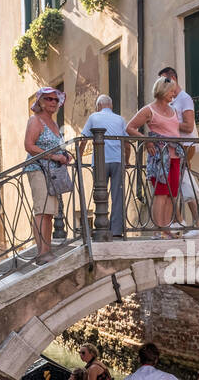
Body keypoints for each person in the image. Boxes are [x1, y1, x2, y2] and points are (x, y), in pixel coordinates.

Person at [126, 77, 184, 237]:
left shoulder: (173, 110)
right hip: (159, 157)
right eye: (171, 90)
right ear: (163, 90)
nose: (174, 94)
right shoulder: (148, 110)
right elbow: (130, 128)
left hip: (175, 157)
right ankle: (158, 230)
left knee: (172, 193)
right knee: (160, 192)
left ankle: (166, 228)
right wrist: (147, 141)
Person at [24, 87, 72, 264]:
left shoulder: (52, 123)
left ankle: (47, 249)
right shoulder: (35, 120)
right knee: (41, 210)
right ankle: (41, 252)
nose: (53, 102)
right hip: (37, 169)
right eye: (49, 99)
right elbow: (29, 145)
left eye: (56, 100)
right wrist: (53, 156)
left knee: (50, 212)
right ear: (41, 102)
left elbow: (56, 146)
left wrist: (65, 155)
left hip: (52, 172)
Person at [80, 94, 130, 238]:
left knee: (100, 194)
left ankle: (101, 228)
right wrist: (126, 160)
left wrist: (78, 157)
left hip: (100, 161)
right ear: (111, 106)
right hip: (117, 161)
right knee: (117, 196)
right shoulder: (120, 119)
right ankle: (116, 231)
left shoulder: (94, 117)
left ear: (98, 106)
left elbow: (83, 139)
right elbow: (126, 144)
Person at [162, 66, 199, 234]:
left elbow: (188, 126)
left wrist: (166, 123)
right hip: (176, 148)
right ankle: (180, 220)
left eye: (164, 81)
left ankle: (194, 222)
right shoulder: (172, 100)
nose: (162, 85)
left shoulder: (184, 99)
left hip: (186, 146)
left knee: (183, 182)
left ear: (173, 79)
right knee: (176, 183)